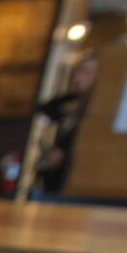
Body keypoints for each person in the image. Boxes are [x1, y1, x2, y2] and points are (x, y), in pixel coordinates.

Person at [35, 54, 97, 193]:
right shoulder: (72, 110)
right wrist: (74, 93)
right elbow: (46, 108)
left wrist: (64, 153)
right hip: (54, 182)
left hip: (75, 184)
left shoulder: (97, 116)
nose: (77, 78)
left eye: (86, 72)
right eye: (76, 71)